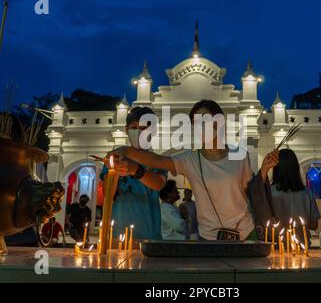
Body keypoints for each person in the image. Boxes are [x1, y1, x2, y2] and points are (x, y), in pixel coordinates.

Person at [106, 100, 278, 241]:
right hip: (209, 237)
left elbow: (251, 189)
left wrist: (264, 169)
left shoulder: (239, 154)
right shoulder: (189, 159)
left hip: (245, 233)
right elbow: (158, 160)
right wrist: (126, 151)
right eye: (196, 124)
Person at [100, 107, 167, 241]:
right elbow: (108, 194)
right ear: (126, 129)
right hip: (117, 236)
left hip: (149, 236)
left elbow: (158, 184)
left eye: (144, 128)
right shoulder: (115, 157)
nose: (139, 132)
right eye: (134, 127)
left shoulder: (158, 161)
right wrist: (115, 169)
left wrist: (135, 170)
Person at [267, 149, 321, 245]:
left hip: (277, 247)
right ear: (296, 168)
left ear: (276, 168)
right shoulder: (307, 193)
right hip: (301, 246)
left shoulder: (269, 192)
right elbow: (314, 225)